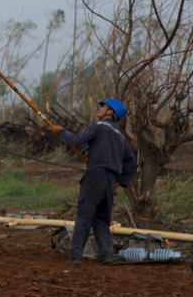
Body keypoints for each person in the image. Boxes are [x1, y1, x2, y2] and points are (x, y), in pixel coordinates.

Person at [51, 98, 138, 265]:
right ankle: (106, 256)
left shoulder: (97, 125)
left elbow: (76, 139)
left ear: (110, 112)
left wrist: (61, 131)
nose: (100, 108)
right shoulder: (121, 137)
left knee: (84, 217)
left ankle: (75, 258)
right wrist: (119, 182)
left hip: (94, 177)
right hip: (110, 182)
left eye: (103, 106)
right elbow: (132, 164)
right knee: (101, 220)